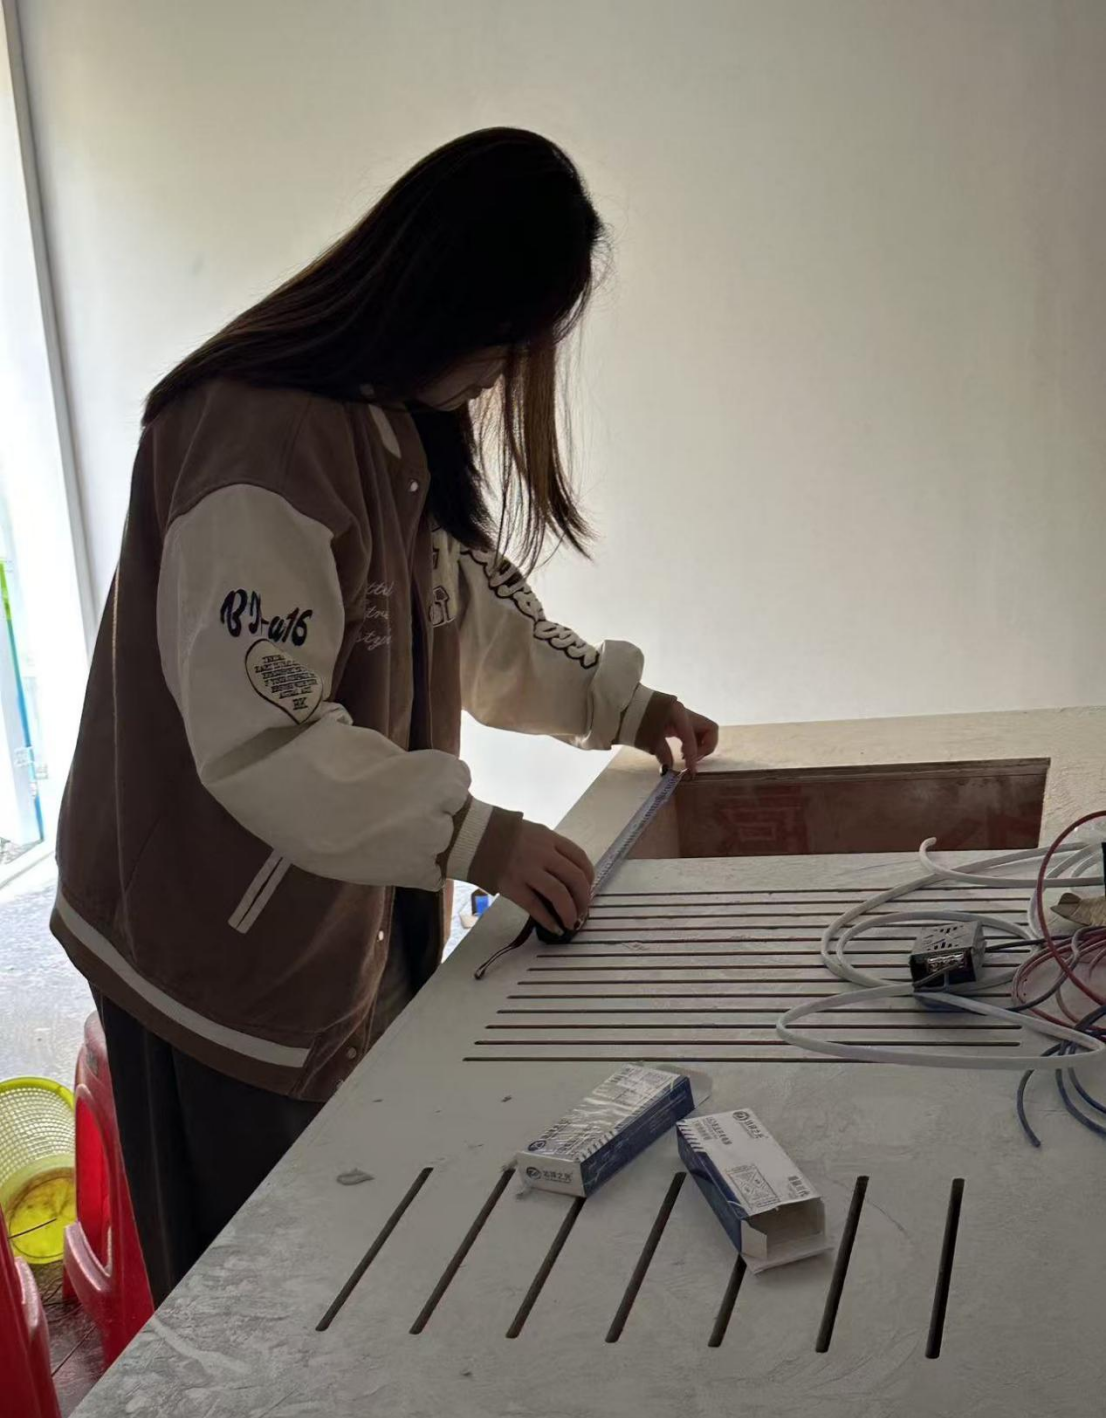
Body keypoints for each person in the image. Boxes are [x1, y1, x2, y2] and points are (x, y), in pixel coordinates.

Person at [51, 127, 719, 1303]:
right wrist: (475, 834)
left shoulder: (395, 420)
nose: (501, 378)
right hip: (205, 946)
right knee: (251, 1293)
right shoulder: (258, 432)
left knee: (339, 1250)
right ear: (446, 295)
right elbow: (262, 737)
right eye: (504, 344)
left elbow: (471, 618)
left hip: (326, 907)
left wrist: (620, 701)